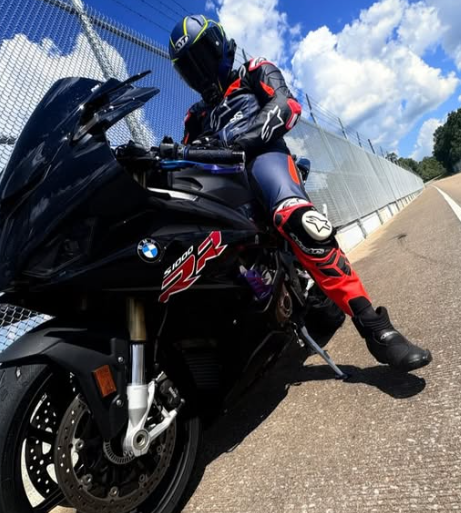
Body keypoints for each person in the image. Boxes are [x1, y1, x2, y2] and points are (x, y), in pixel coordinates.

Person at [168, 15, 432, 372]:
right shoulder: (195, 115)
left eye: (201, 59)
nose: (198, 72)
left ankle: (376, 328)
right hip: (221, 184)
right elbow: (183, 156)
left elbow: (286, 106)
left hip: (263, 158)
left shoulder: (254, 71)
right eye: (189, 67)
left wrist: (233, 141)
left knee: (297, 220)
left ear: (218, 46)